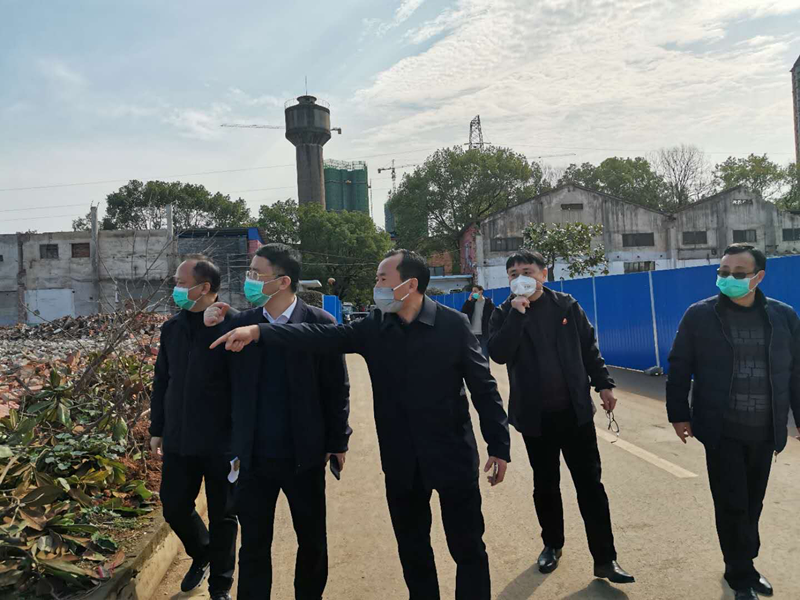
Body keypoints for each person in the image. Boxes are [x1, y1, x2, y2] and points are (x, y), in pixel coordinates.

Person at [207, 249, 511, 600]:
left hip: (452, 456)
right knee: (413, 549)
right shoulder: (375, 327)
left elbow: (484, 388)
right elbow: (320, 337)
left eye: (382, 279)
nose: (376, 285)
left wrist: (499, 446)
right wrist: (259, 331)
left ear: (410, 285)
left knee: (468, 546)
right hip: (401, 462)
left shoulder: (452, 325)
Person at [208, 243, 351, 600]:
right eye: (250, 273)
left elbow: (337, 388)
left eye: (257, 274)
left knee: (312, 540)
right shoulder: (239, 324)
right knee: (254, 544)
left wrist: (338, 441)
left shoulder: (320, 324)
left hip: (305, 455)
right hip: (253, 457)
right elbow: (217, 384)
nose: (249, 280)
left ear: (284, 281)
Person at [488, 248, 634, 585]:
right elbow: (498, 353)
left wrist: (604, 385)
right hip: (534, 417)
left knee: (590, 486)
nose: (520, 279)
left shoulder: (566, 305)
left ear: (544, 274)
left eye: (527, 271)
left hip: (574, 413)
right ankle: (552, 545)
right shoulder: (503, 313)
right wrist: (517, 315)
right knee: (545, 485)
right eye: (513, 274)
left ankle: (605, 559)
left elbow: (589, 348)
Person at [666, 243, 800, 600]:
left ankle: (745, 562)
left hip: (766, 429)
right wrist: (678, 413)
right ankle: (739, 575)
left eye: (738, 273)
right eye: (723, 272)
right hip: (721, 427)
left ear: (758, 277)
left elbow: (797, 372)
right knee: (732, 504)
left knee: (753, 503)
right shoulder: (700, 315)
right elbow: (679, 365)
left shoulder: (783, 316)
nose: (728, 278)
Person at [150, 255, 238, 600]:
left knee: (223, 516)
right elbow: (162, 380)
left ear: (204, 288)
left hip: (222, 440)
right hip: (179, 438)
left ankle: (220, 586)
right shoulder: (172, 329)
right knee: (174, 506)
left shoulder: (232, 326)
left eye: (181, 283)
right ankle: (202, 552)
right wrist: (158, 428)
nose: (175, 288)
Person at [461, 285, 495, 361]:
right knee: (473, 356)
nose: (473, 293)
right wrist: (468, 300)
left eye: (475, 291)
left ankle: (486, 368)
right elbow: (463, 312)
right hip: (472, 333)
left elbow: (493, 318)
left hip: (484, 334)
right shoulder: (472, 303)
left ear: (481, 291)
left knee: (485, 355)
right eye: (472, 291)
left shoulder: (489, 304)